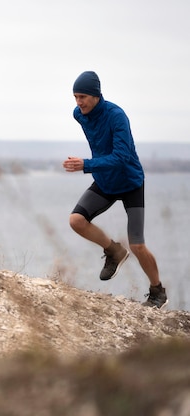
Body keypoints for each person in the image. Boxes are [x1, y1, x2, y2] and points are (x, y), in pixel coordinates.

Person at [63, 70, 168, 309]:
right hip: (105, 181)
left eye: (83, 97)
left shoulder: (117, 116)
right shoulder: (79, 115)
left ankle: (157, 292)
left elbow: (122, 156)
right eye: (75, 97)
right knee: (76, 221)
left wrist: (86, 164)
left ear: (96, 95)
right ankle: (114, 252)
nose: (79, 103)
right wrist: (91, 166)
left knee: (138, 245)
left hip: (130, 182)